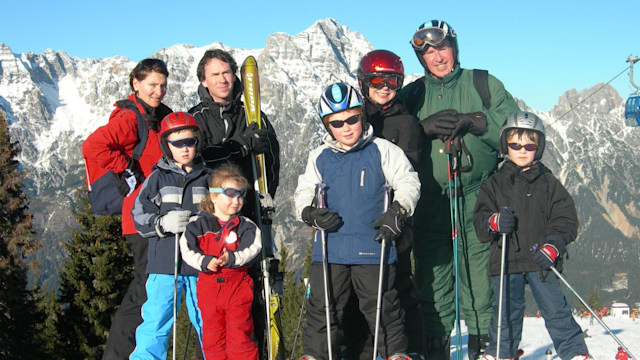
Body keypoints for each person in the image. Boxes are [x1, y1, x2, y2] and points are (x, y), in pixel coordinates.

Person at [399, 20, 521, 360]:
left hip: (477, 199)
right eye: (427, 52)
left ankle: (483, 350)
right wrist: (421, 130)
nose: (437, 57)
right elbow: (389, 140)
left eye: (442, 48)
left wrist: (477, 121)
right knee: (433, 281)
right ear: (420, 58)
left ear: (454, 46)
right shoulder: (412, 94)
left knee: (479, 282)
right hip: (429, 204)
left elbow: (515, 127)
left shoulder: (481, 83)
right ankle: (435, 349)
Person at [294, 82, 421, 360]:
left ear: (362, 115)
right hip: (330, 250)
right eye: (337, 123)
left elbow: (408, 182)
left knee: (383, 307)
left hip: (373, 247)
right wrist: (308, 212)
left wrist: (398, 212)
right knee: (323, 307)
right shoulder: (320, 156)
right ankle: (316, 354)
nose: (347, 127)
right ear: (328, 126)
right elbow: (304, 190)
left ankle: (395, 354)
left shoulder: (383, 150)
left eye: (352, 118)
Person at [472, 111, 593, 360]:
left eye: (530, 145)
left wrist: (554, 245)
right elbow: (480, 220)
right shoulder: (494, 184)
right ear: (506, 145)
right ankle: (500, 352)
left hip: (541, 259)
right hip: (506, 258)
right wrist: (493, 222)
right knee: (505, 312)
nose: (522, 150)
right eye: (515, 144)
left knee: (555, 309)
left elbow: (565, 219)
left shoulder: (548, 183)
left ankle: (575, 352)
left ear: (538, 148)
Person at [188, 49, 280, 356]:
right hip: (211, 219)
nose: (223, 79)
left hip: (248, 216)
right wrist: (240, 147)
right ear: (204, 80)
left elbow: (272, 161)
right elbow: (199, 158)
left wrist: (266, 193)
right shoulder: (196, 118)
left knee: (250, 299)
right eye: (215, 74)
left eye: (227, 72)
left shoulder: (252, 115)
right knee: (214, 309)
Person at [82, 58, 172, 360]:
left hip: (157, 218)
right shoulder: (131, 118)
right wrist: (127, 168)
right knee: (144, 292)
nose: (158, 91)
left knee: (151, 291)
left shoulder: (158, 116)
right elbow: (92, 146)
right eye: (151, 85)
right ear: (136, 83)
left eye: (162, 85)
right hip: (140, 221)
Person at [341, 49, 427, 360]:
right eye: (376, 80)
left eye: (390, 80)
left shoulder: (405, 124)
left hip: (390, 223)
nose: (383, 86)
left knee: (397, 291)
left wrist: (399, 215)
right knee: (353, 295)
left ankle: (410, 351)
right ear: (363, 83)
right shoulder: (352, 117)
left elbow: (410, 176)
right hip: (354, 224)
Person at [129, 112, 209, 360]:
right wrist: (162, 223)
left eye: (190, 141)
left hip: (200, 263)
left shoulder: (208, 177)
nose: (185, 149)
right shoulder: (158, 178)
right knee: (157, 320)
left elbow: (222, 213)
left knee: (209, 321)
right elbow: (139, 215)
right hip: (165, 262)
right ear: (167, 146)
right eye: (177, 143)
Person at [180, 163, 262, 360]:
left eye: (240, 195)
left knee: (240, 335)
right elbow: (187, 249)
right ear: (214, 196)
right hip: (209, 287)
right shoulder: (198, 225)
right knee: (212, 337)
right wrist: (204, 261)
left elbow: (254, 249)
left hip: (237, 285)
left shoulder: (246, 226)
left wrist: (232, 258)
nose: (237, 200)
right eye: (231, 194)